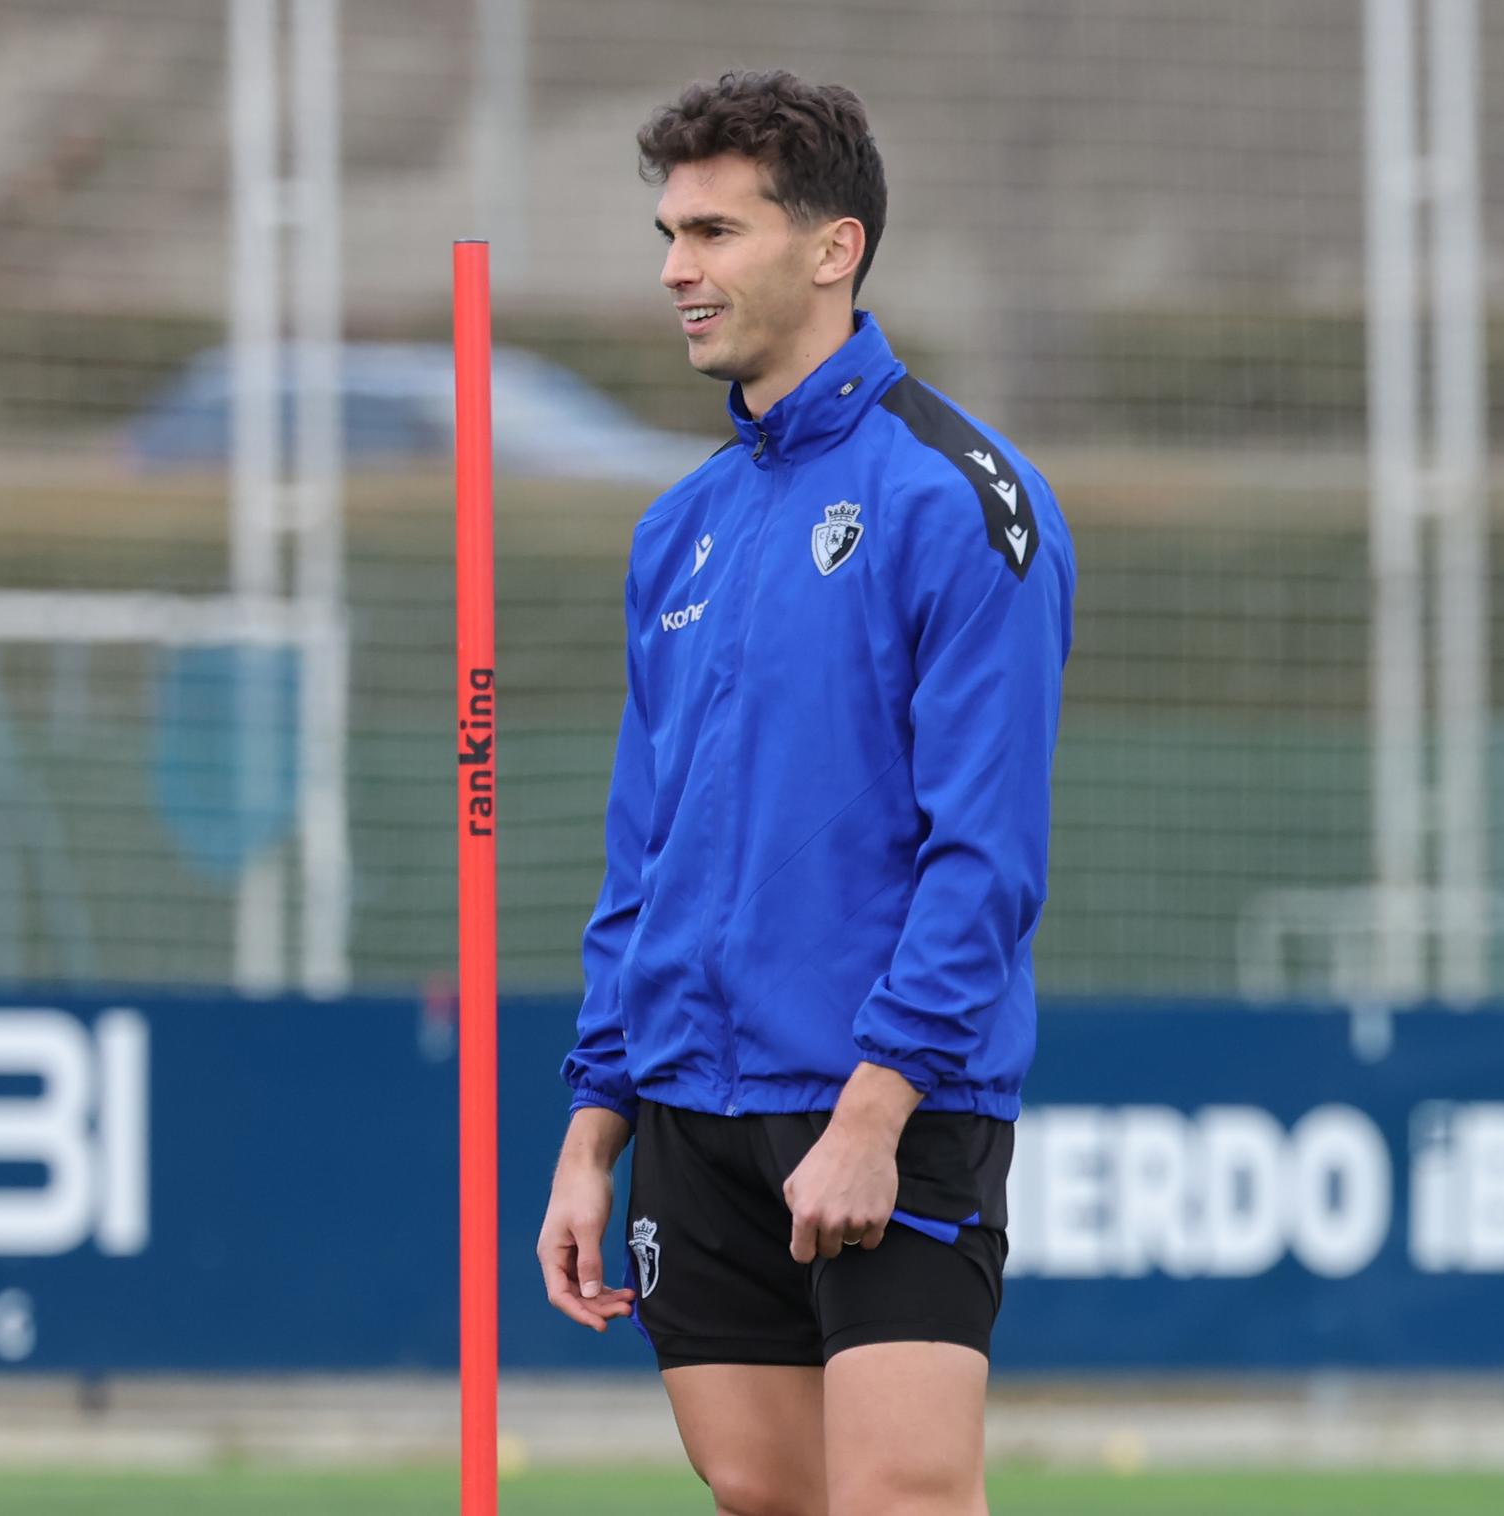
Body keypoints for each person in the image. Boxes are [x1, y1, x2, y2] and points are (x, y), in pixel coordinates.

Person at [530, 70, 1076, 1516]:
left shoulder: (960, 499)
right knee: (765, 1494)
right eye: (669, 230)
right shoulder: (683, 526)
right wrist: (597, 1132)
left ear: (832, 247)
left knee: (898, 1496)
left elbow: (987, 856)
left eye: (713, 230)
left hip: (881, 1099)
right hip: (690, 1110)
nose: (674, 269)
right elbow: (641, 855)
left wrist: (877, 1110)